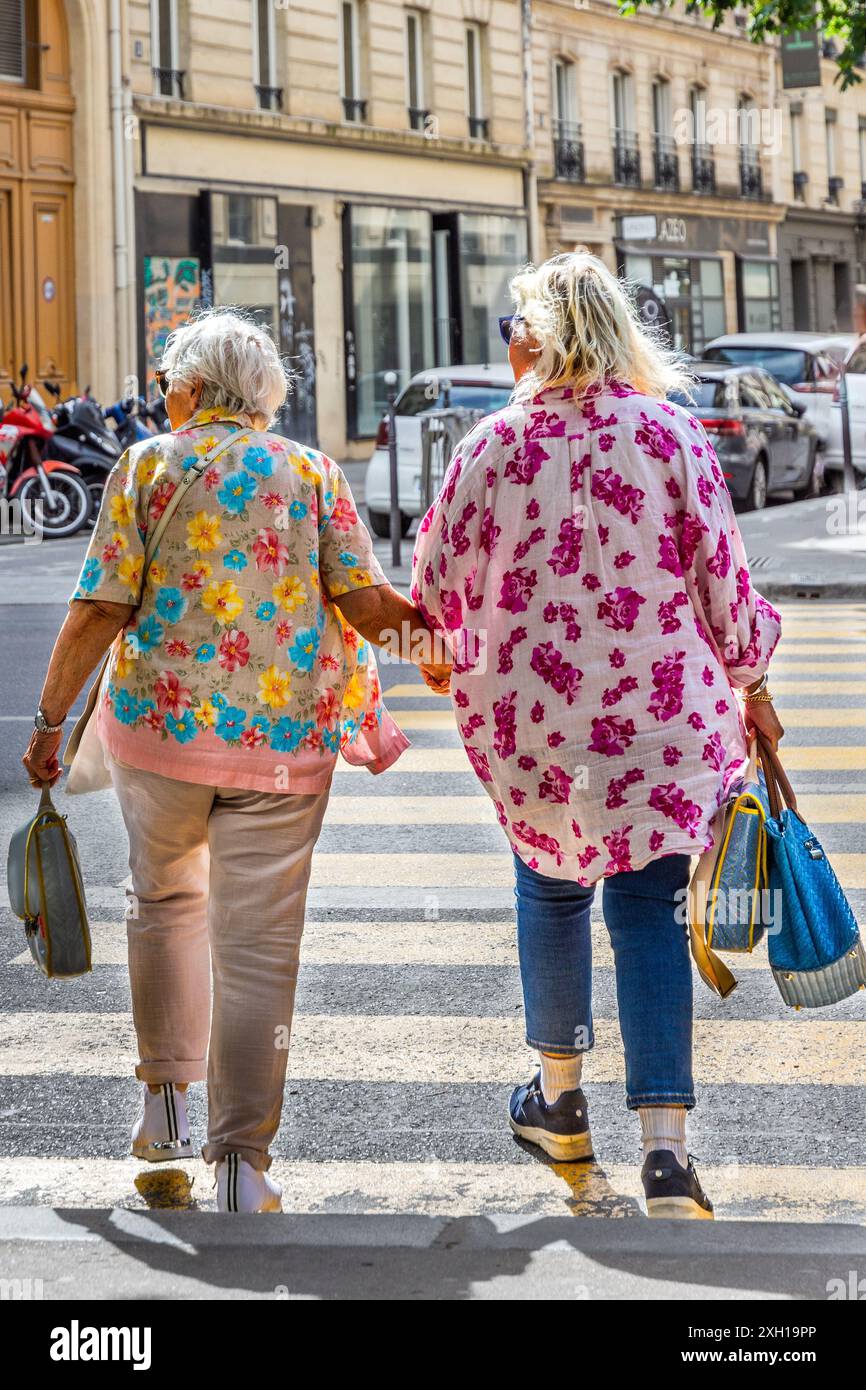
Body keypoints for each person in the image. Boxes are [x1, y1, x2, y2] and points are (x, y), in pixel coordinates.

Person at [23, 307, 448, 1212]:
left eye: (169, 379)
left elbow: (98, 607)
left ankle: (166, 1108)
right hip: (285, 749)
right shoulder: (310, 471)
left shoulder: (146, 465)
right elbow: (367, 603)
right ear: (260, 396)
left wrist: (50, 723)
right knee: (260, 951)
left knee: (165, 905)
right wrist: (449, 653)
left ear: (189, 387)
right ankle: (244, 1169)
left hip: (159, 740)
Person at [411, 252, 784, 1219]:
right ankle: (667, 1153)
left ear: (537, 338)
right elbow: (725, 585)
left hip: (535, 728)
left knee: (553, 888)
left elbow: (434, 592)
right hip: (660, 725)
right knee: (650, 910)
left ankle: (561, 1100)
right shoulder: (671, 434)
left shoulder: (491, 445)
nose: (508, 345)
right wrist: (752, 682)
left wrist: (445, 655)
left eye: (512, 328)